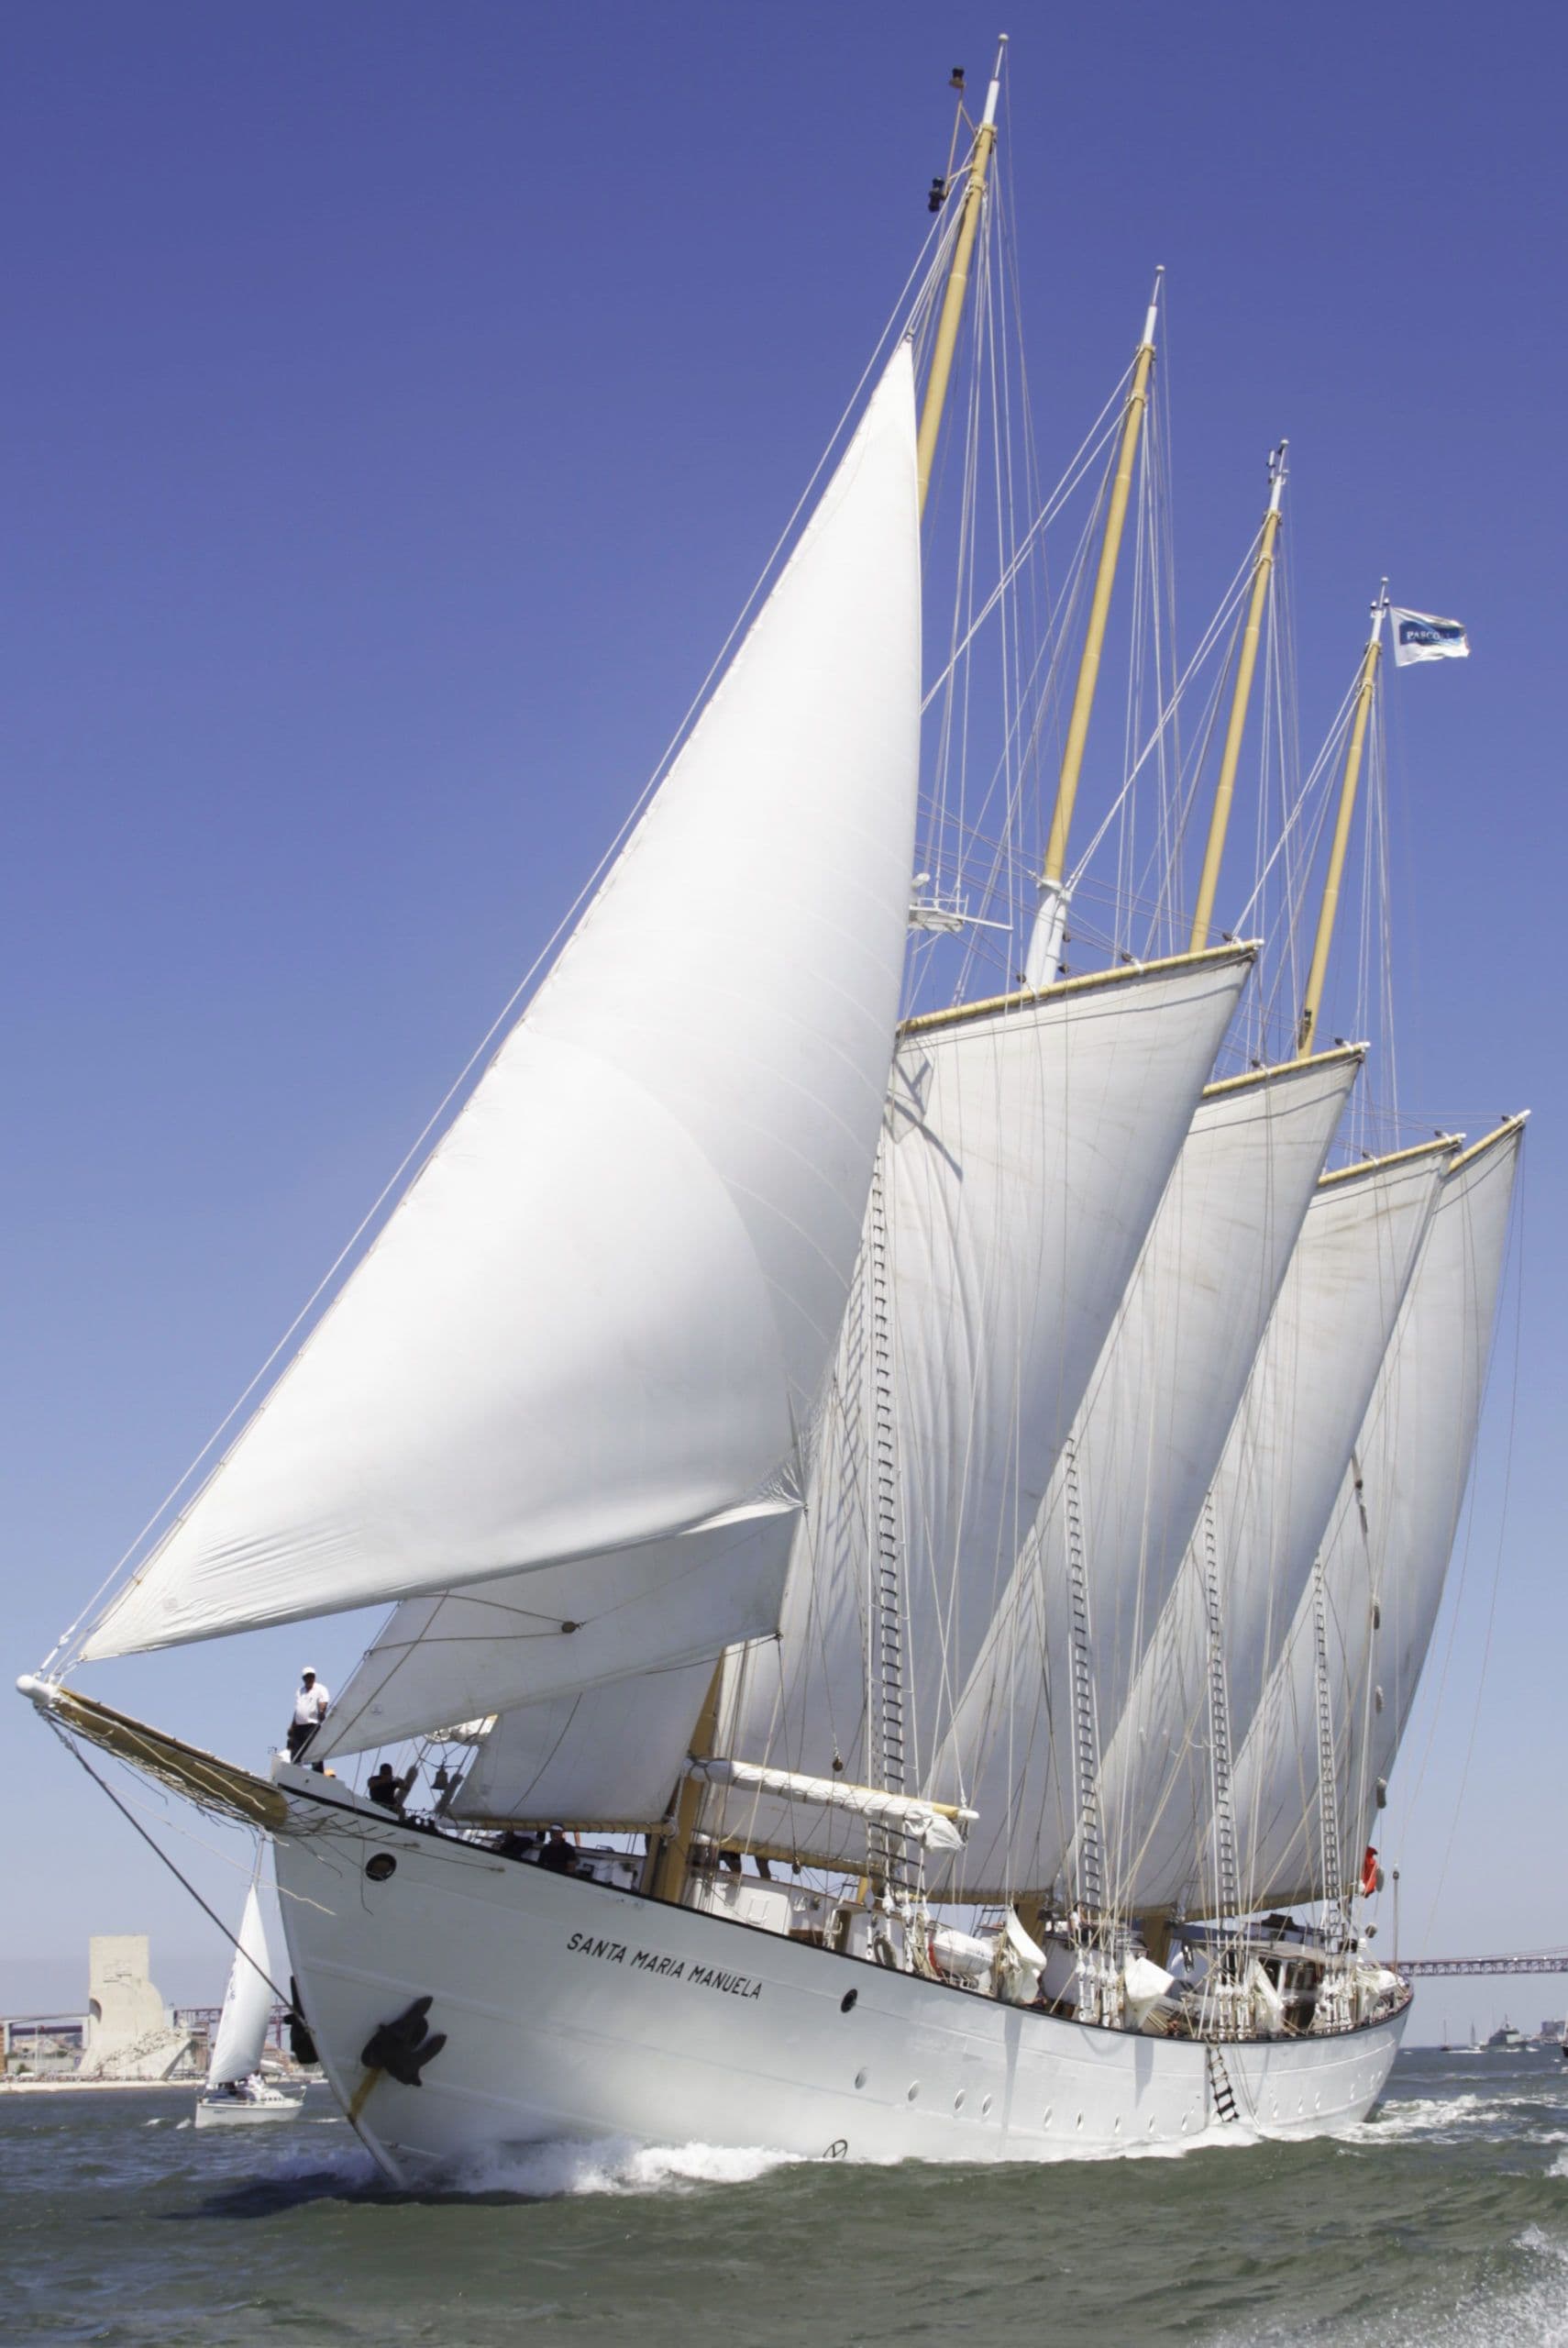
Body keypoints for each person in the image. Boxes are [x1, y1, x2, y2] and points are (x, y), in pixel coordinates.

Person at [287, 1668, 330, 1767]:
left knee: (314, 1751)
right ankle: (295, 1770)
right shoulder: (300, 1691)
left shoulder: (320, 1688)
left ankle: (318, 1773)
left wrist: (322, 1711)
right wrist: (293, 1724)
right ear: (304, 1678)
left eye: (312, 1676)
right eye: (308, 1676)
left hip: (312, 1725)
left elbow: (323, 1701)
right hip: (299, 1726)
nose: (310, 1678)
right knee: (296, 1751)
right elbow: (298, 1707)